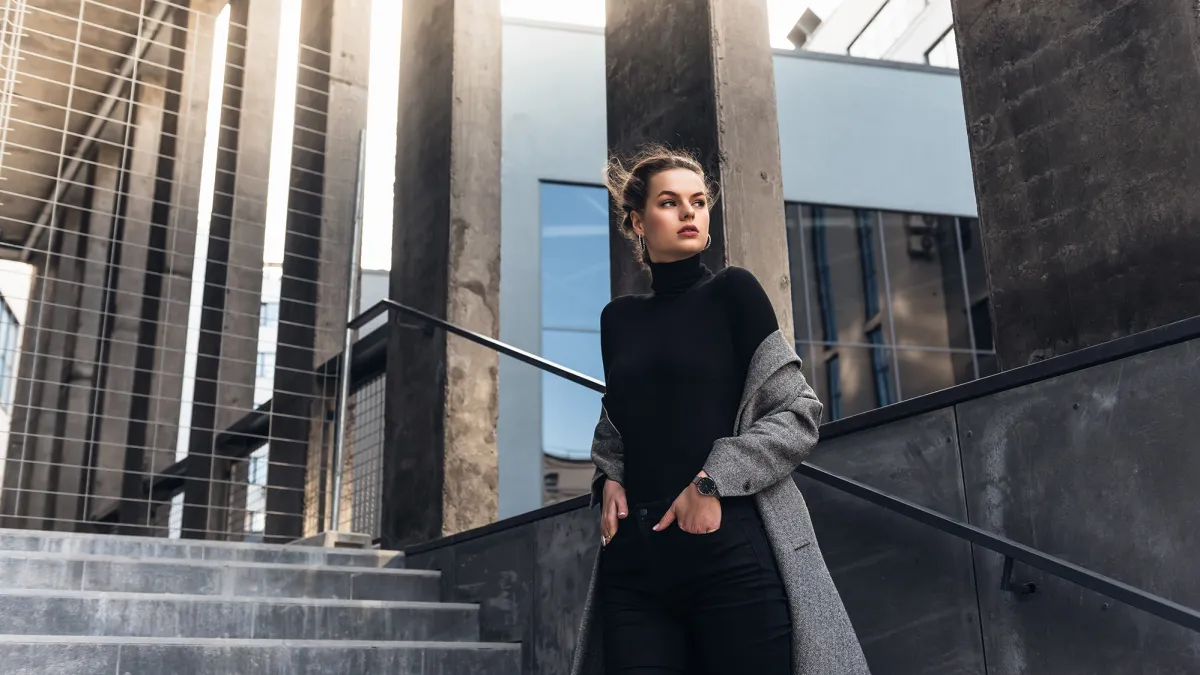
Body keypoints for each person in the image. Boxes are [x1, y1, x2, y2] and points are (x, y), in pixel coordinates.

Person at [569, 145, 870, 675]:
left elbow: (797, 412)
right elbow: (619, 421)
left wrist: (710, 482)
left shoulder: (735, 293)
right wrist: (608, 478)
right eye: (670, 202)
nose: (689, 212)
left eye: (699, 201)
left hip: (729, 549)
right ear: (637, 221)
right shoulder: (617, 319)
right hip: (635, 566)